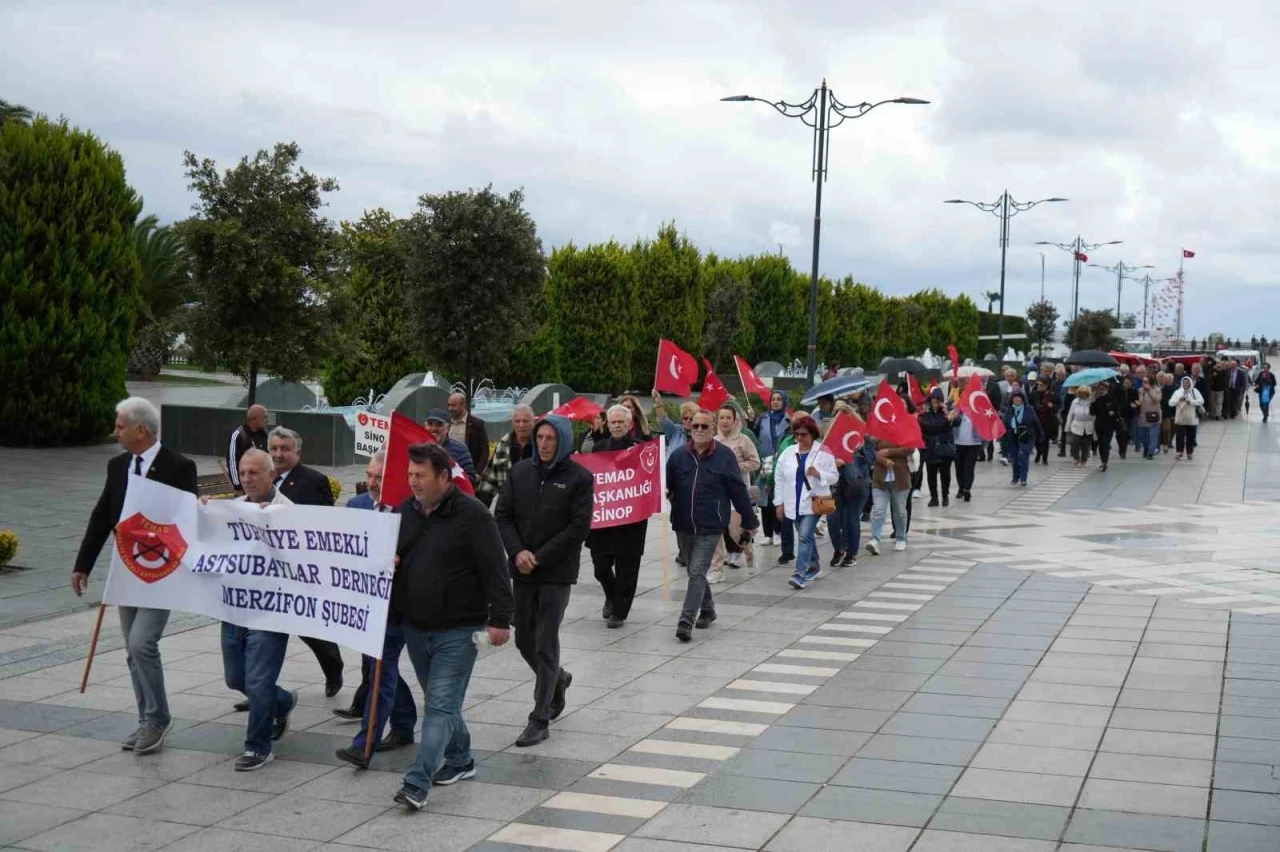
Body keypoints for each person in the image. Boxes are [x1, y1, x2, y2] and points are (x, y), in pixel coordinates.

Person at [389, 443, 513, 810]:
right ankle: (461, 760)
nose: (413, 482)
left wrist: (501, 619)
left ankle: (417, 782)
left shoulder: (473, 516)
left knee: (439, 707)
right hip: (415, 626)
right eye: (410, 475)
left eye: (420, 475)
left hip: (459, 630)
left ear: (444, 477)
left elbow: (496, 569)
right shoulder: (405, 513)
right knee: (443, 704)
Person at [71, 397, 198, 755]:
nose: (115, 432)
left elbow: (186, 520)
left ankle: (158, 719)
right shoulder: (117, 466)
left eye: (120, 425)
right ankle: (147, 720)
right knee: (132, 650)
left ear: (141, 429)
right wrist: (83, 565)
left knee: (143, 643)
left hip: (161, 571)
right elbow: (101, 516)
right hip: (126, 569)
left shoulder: (179, 466)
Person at [494, 415, 592, 748]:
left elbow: (578, 527)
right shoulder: (520, 472)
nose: (544, 444)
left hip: (555, 573)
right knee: (524, 640)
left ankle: (540, 718)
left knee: (545, 642)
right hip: (522, 571)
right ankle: (558, 680)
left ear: (563, 441)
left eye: (551, 438)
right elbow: (502, 514)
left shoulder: (580, 478)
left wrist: (539, 556)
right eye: (540, 438)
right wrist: (518, 552)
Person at [333, 451, 418, 760]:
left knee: (380, 671)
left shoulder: (409, 510)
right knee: (379, 668)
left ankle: (363, 745)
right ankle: (405, 723)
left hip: (400, 606)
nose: (370, 482)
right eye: (369, 475)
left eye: (378, 478)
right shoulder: (357, 505)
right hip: (367, 605)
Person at [216, 449, 298, 771]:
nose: (248, 479)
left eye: (254, 473)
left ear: (271, 475)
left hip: (271, 612)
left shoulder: (288, 512)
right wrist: (205, 515)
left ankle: (258, 747)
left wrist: (276, 527)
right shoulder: (233, 509)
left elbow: (302, 563)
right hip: (235, 608)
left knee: (259, 680)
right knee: (237, 678)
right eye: (244, 473)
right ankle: (284, 701)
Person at [268, 427, 346, 697]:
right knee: (264, 637)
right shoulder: (259, 478)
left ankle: (333, 666)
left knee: (308, 629)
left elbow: (325, 527)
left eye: (285, 449)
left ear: (297, 452)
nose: (278, 454)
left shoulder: (314, 481)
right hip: (266, 571)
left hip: (300, 569)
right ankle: (260, 688)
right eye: (274, 448)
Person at [666, 409, 758, 639]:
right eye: (695, 426)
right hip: (683, 523)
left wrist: (749, 520)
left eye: (704, 426)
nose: (698, 430)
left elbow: (737, 489)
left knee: (698, 571)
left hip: (711, 524)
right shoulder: (678, 456)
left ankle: (686, 621)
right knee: (692, 570)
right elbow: (668, 486)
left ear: (713, 428)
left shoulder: (725, 456)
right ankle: (708, 609)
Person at [586, 405, 649, 629]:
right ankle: (612, 596)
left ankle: (619, 612)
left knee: (627, 568)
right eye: (613, 422)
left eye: (621, 422)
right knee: (600, 565)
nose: (617, 426)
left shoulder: (640, 448)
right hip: (605, 517)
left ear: (630, 424)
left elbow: (649, 480)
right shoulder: (599, 448)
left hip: (632, 519)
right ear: (608, 424)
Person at [772, 415, 837, 589]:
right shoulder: (788, 453)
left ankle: (799, 573)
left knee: (804, 536)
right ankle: (814, 566)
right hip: (793, 503)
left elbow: (834, 476)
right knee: (806, 536)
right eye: (797, 434)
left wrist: (819, 474)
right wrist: (779, 503)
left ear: (812, 434)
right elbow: (779, 478)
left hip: (814, 503)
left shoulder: (823, 452)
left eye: (804, 434)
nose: (800, 438)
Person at [708, 402, 761, 578]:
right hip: (716, 493)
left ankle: (749, 553)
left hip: (736, 493)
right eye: (721, 418)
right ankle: (716, 568)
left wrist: (735, 467)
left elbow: (755, 462)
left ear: (734, 420)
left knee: (735, 532)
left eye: (728, 418)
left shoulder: (743, 440)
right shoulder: (712, 441)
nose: (724, 421)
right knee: (715, 531)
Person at [751, 391, 792, 550]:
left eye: (779, 399)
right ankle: (767, 534)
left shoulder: (789, 420)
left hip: (781, 461)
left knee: (778, 498)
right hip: (764, 463)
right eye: (773, 399)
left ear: (784, 402)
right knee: (764, 500)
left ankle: (777, 532)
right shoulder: (762, 418)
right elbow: (754, 435)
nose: (775, 402)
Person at [478, 403, 536, 506]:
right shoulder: (504, 444)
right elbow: (490, 477)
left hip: (533, 505)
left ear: (533, 422)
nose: (521, 425)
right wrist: (480, 508)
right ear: (512, 423)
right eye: (517, 421)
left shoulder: (540, 446)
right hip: (507, 505)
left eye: (525, 421)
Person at [866, 436, 911, 554]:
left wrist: (889, 452)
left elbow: (910, 449)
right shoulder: (878, 432)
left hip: (900, 479)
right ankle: (875, 539)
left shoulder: (903, 430)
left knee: (900, 511)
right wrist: (884, 460)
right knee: (878, 510)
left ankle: (901, 538)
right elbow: (870, 451)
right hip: (880, 480)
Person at [918, 389, 957, 506]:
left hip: (945, 448)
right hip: (930, 448)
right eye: (933, 400)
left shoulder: (947, 413)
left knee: (945, 475)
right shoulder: (925, 415)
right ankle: (933, 497)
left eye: (937, 400)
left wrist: (946, 413)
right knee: (931, 475)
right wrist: (946, 421)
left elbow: (957, 422)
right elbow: (930, 428)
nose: (935, 403)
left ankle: (945, 496)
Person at [1002, 390, 1042, 486]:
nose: (1016, 399)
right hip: (1013, 437)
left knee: (1024, 457)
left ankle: (1023, 478)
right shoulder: (1009, 410)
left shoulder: (1029, 409)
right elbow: (1004, 425)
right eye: (1014, 397)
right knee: (1015, 459)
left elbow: (1036, 423)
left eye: (1019, 397)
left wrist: (1040, 435)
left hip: (1026, 437)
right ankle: (1015, 477)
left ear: (1023, 399)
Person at [425, 410, 477, 484]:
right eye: (430, 424)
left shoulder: (460, 450)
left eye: (439, 424)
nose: (433, 429)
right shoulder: (418, 448)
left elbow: (470, 480)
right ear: (425, 426)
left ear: (448, 428)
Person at [447, 392, 491, 477]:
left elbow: (484, 451)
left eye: (453, 405)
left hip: (468, 472)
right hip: (448, 471)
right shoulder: (445, 422)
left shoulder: (476, 424)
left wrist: (478, 473)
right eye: (448, 405)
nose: (450, 408)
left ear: (463, 405)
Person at [227, 404, 269, 493]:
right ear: (254, 419)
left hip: (263, 486)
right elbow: (232, 462)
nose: (267, 421)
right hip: (246, 487)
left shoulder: (265, 434)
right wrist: (238, 486)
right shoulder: (238, 435)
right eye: (264, 418)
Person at [1090, 383, 1123, 472]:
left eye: (1103, 389)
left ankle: (1105, 462)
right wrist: (1092, 402)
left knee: (1105, 443)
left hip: (1109, 425)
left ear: (1107, 389)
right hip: (1099, 425)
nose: (1101, 390)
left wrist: (1113, 412)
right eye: (1100, 389)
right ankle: (1102, 461)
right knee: (1101, 444)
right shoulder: (1097, 400)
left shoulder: (1112, 399)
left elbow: (1118, 411)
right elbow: (1092, 412)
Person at [952, 408, 983, 502]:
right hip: (958, 443)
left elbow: (984, 425)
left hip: (974, 444)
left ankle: (967, 489)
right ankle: (961, 488)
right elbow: (950, 422)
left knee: (969, 467)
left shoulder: (978, 410)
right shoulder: (957, 411)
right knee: (959, 468)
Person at [1171, 376, 1205, 460]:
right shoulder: (1177, 392)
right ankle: (1179, 451)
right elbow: (1171, 403)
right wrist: (1178, 400)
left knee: (1191, 436)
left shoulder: (1194, 391)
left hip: (1192, 418)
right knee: (1180, 436)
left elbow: (1201, 401)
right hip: (1180, 418)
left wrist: (1191, 401)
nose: (1186, 384)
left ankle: (1189, 452)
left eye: (1187, 383)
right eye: (1184, 383)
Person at [1065, 386, 1096, 467]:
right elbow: (1070, 414)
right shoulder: (1075, 402)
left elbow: (1094, 415)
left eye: (1084, 394)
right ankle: (1076, 458)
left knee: (1086, 444)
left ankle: (1084, 459)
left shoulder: (1092, 401)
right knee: (1075, 442)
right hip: (1076, 425)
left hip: (1088, 425)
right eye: (1081, 394)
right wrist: (1067, 427)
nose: (1082, 395)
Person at [1137, 379, 1163, 460]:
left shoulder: (1157, 390)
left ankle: (1151, 453)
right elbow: (1140, 401)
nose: (1144, 383)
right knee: (1142, 436)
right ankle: (1146, 448)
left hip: (1154, 416)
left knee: (1153, 437)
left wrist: (1149, 390)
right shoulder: (1140, 390)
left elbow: (1157, 399)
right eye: (1143, 382)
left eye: (1146, 382)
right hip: (1143, 416)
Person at [1033, 379, 1057, 465]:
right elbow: (1030, 404)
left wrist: (1052, 406)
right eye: (1038, 385)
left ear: (1046, 386)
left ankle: (1044, 458)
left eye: (1041, 385)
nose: (1039, 386)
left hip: (1047, 421)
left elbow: (1058, 406)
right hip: (1036, 420)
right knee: (1036, 439)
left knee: (1045, 439)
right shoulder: (1034, 394)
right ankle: (1039, 451)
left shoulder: (1051, 395)